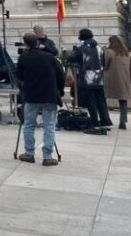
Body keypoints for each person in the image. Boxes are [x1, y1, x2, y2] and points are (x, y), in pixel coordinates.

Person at [15, 31, 65, 165]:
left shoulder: (23, 58)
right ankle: (47, 156)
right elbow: (61, 75)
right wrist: (60, 91)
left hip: (31, 95)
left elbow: (19, 76)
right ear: (37, 42)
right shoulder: (50, 57)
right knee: (49, 126)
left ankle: (29, 153)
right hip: (49, 95)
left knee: (29, 125)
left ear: (25, 44)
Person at [68, 28, 112, 132]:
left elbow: (72, 58)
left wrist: (65, 52)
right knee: (101, 101)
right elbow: (103, 61)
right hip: (99, 78)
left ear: (82, 36)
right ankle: (105, 122)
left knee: (91, 102)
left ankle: (94, 124)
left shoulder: (81, 48)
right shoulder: (99, 48)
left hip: (87, 79)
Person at [104, 35, 130, 131]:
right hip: (124, 79)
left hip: (111, 79)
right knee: (123, 100)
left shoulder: (109, 52)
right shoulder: (126, 53)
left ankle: (105, 119)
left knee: (103, 98)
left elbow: (105, 65)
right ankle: (123, 122)